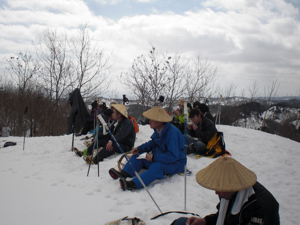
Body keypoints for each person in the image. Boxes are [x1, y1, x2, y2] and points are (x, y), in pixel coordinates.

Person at [171, 156, 280, 225]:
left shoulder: (258, 207)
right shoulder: (229, 193)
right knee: (180, 223)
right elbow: (224, 217)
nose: (216, 192)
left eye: (219, 188)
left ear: (232, 186)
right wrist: (205, 222)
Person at [108, 106, 187, 191]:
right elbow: (153, 143)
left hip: (176, 163)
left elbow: (173, 156)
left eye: (151, 119)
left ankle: (132, 184)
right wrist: (140, 149)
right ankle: (125, 173)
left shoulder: (172, 134)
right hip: (161, 157)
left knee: (156, 167)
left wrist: (154, 157)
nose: (149, 121)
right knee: (138, 156)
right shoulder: (159, 129)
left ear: (159, 121)